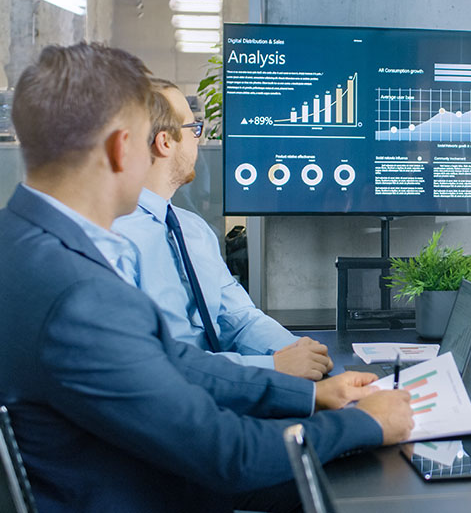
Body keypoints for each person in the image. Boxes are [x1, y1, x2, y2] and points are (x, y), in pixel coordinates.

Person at [0, 43, 414, 512]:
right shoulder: (80, 296)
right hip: (145, 490)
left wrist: (311, 394)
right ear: (122, 149)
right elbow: (228, 454)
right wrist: (365, 424)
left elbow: (171, 360)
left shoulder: (20, 242)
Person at [113, 79, 332, 380]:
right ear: (165, 142)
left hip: (231, 388)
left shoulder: (193, 230)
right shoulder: (114, 239)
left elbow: (238, 317)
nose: (199, 140)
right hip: (180, 402)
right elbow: (152, 363)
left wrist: (297, 350)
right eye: (193, 129)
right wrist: (274, 367)